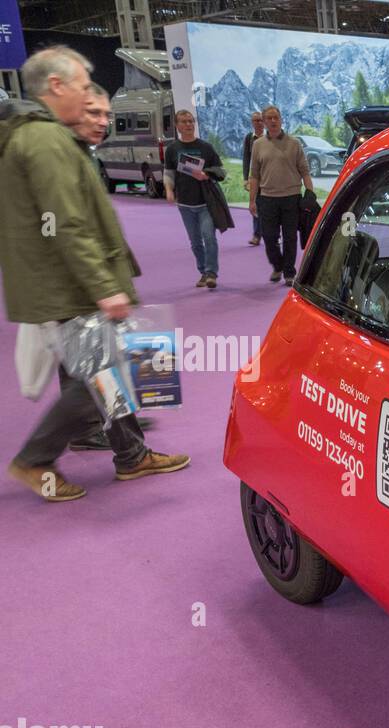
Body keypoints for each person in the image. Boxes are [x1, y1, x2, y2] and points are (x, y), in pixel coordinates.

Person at [0, 46, 188, 502]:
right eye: (84, 88)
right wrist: (104, 287)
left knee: (95, 374)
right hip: (68, 287)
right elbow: (66, 222)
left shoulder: (41, 137)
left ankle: (129, 454)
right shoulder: (44, 140)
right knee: (97, 377)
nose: (89, 102)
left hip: (62, 283)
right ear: (56, 86)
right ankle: (35, 460)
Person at [248, 105, 313, 285]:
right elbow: (254, 175)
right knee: (269, 237)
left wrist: (310, 194)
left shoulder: (294, 143)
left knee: (290, 237)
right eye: (268, 118)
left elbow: (305, 171)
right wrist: (252, 200)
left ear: (281, 119)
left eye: (275, 117)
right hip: (267, 199)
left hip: (291, 198)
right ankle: (278, 265)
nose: (273, 121)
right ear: (264, 122)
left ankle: (289, 273)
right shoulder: (258, 145)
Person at [165, 110, 224, 289]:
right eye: (184, 122)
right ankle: (203, 272)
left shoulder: (206, 147)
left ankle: (212, 273)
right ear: (177, 126)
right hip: (184, 204)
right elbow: (169, 172)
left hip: (205, 202)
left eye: (191, 121)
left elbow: (221, 171)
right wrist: (169, 189)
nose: (188, 124)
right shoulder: (172, 149)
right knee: (195, 241)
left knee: (209, 237)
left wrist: (206, 174)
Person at [241, 110, 264, 245]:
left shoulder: (272, 137)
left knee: (272, 207)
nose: (259, 123)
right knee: (255, 206)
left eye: (261, 120)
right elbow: (246, 158)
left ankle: (276, 236)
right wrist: (245, 178)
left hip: (271, 179)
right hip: (255, 178)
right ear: (252, 122)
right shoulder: (249, 138)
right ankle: (256, 236)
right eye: (256, 120)